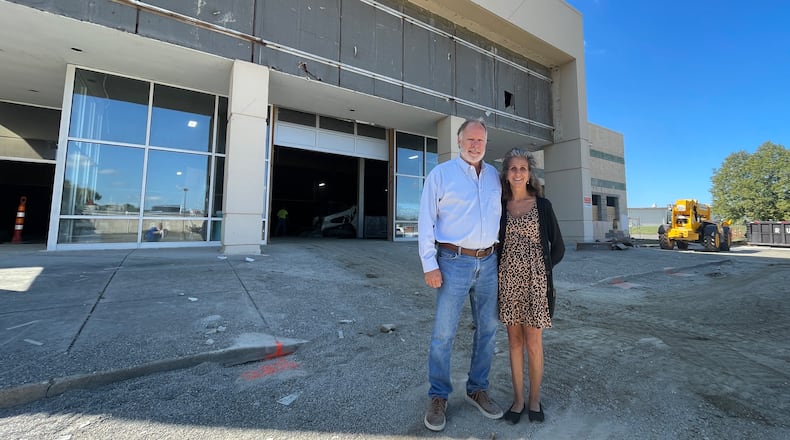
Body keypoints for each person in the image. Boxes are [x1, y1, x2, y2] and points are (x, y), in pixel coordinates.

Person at [418, 118, 503, 431]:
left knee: (488, 329)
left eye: (481, 140)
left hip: (489, 261)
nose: (475, 145)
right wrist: (429, 264)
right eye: (470, 139)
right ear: (459, 141)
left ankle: (477, 388)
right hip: (452, 261)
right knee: (444, 332)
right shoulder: (441, 175)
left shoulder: (494, 176)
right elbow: (425, 220)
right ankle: (438, 395)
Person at [496, 148, 564, 424]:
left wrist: (541, 272)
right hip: (508, 282)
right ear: (506, 174)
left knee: (533, 343)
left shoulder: (542, 205)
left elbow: (558, 247)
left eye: (522, 168)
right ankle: (518, 400)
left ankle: (534, 399)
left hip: (536, 284)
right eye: (513, 168)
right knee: (514, 342)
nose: (518, 173)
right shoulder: (500, 206)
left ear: (529, 174)